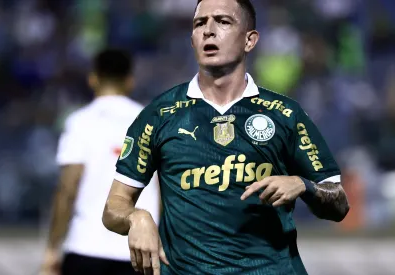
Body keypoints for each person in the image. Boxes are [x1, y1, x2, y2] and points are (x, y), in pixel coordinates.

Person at [102, 0, 350, 274]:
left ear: (249, 40)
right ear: (192, 40)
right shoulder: (159, 115)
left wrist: (304, 185)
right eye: (200, 23)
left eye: (223, 21)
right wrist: (136, 217)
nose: (208, 30)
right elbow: (114, 207)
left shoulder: (285, 115)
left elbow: (338, 203)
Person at [40, 48, 160, 275]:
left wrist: (52, 248)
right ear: (130, 81)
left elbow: (68, 188)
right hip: (138, 251)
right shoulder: (150, 121)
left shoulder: (80, 122)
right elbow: (162, 187)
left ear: (93, 79)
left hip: (86, 248)